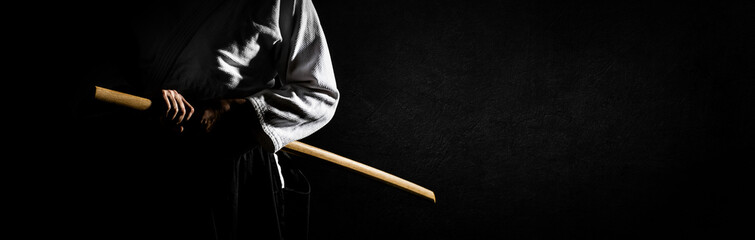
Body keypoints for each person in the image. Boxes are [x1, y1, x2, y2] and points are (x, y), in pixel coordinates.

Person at [71, 0, 338, 239]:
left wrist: (234, 110)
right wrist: (144, 98)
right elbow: (99, 68)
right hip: (139, 153)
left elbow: (319, 93)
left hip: (230, 164)